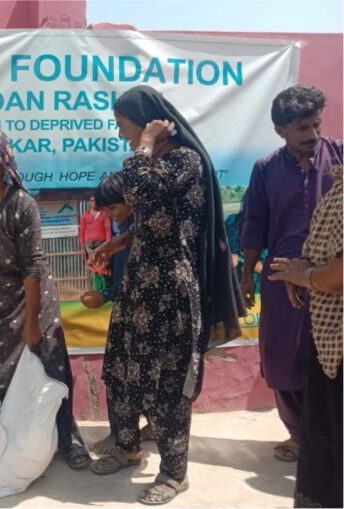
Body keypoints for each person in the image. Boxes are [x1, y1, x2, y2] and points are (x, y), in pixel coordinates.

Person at [87, 85, 244, 505]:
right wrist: (120, 242)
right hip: (140, 284)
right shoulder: (159, 163)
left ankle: (175, 474)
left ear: (149, 121)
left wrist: (145, 142)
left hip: (171, 289)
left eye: (125, 127)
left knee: (169, 381)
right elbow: (156, 217)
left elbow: (139, 191)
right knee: (121, 367)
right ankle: (126, 446)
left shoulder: (184, 160)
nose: (123, 136)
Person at [0, 127, 91, 471]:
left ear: (4, 162)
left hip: (30, 300)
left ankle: (66, 441)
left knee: (48, 371)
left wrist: (32, 321)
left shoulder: (21, 204)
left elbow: (33, 265)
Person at [240, 84, 342, 462]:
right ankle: (299, 434)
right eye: (302, 128)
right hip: (283, 278)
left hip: (332, 279)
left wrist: (314, 272)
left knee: (330, 356)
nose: (312, 135)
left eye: (316, 125)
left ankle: (328, 436)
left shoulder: (340, 158)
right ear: (280, 130)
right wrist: (247, 275)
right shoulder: (266, 169)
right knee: (283, 355)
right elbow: (254, 223)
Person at [268, 164, 343, 508]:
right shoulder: (335, 192)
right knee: (322, 440)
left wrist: (308, 276)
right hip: (329, 337)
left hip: (337, 339)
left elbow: (339, 274)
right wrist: (302, 272)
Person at [80, 173, 154, 455]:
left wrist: (105, 296)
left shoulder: (139, 234)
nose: (110, 215)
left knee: (125, 375)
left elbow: (132, 283)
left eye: (113, 208)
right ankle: (129, 431)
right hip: (128, 313)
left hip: (140, 317)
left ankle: (125, 436)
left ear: (132, 201)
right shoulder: (124, 230)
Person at [79, 196, 112, 290]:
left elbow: (108, 230)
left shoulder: (104, 214)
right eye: (92, 200)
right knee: (94, 268)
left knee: (103, 266)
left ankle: (105, 290)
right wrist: (82, 248)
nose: (94, 202)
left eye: (96, 200)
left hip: (101, 244)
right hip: (89, 245)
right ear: (89, 202)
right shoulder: (85, 216)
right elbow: (82, 232)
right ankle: (98, 291)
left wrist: (108, 245)